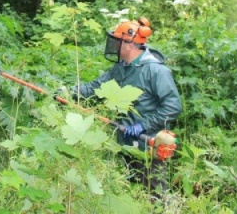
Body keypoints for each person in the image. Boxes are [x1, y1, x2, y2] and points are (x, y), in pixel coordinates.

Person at [68, 17, 182, 197]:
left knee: (155, 196)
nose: (113, 45)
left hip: (149, 145)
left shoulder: (155, 71)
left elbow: (173, 106)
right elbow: (96, 87)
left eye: (117, 41)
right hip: (126, 143)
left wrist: (143, 125)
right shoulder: (121, 68)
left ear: (128, 44)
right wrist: (68, 92)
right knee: (130, 194)